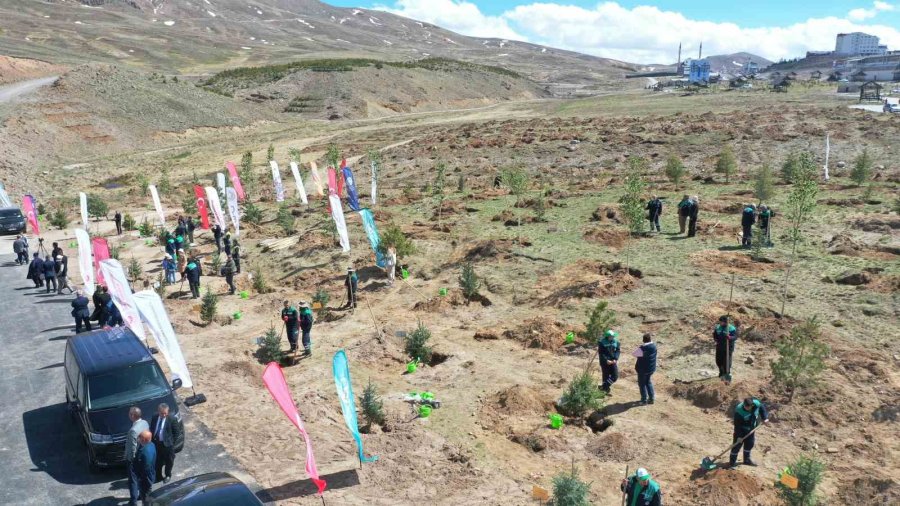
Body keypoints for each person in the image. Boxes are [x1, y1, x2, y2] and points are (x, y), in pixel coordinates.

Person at [730, 397, 769, 467]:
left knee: (749, 444)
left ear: (752, 405)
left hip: (751, 429)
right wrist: (739, 436)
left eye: (749, 407)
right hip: (741, 430)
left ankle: (746, 460)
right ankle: (732, 462)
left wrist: (765, 418)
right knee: (736, 446)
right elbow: (737, 425)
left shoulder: (756, 403)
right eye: (746, 407)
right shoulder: (739, 410)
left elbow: (762, 408)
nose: (748, 408)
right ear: (743, 405)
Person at [150, 403, 182, 484]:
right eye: (162, 413)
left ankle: (168, 475)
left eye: (165, 413)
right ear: (158, 411)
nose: (164, 415)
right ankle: (158, 476)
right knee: (157, 461)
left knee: (169, 461)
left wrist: (171, 443)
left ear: (167, 412)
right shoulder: (154, 417)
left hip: (167, 445)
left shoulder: (172, 419)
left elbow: (177, 432)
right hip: (156, 444)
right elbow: (152, 429)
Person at [125, 407, 150, 506]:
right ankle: (140, 494)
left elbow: (132, 448)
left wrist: (129, 460)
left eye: (129, 413)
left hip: (134, 458)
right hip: (143, 454)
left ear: (132, 416)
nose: (128, 415)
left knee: (132, 480)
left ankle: (133, 501)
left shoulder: (133, 430)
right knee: (140, 477)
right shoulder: (145, 422)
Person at [634, 333, 657, 405]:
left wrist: (641, 347)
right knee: (648, 382)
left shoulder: (642, 348)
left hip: (642, 370)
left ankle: (644, 400)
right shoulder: (654, 346)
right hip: (651, 369)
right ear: (650, 339)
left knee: (642, 384)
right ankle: (651, 398)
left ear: (643, 340)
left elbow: (634, 354)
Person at [135, 430, 156, 505]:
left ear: (143, 439)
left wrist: (140, 477)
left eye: (139, 437)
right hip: (150, 475)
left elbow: (146, 468)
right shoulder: (152, 444)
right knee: (146, 493)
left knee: (146, 496)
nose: (138, 439)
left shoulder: (145, 452)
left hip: (145, 479)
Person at [713, 315, 737, 380]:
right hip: (719, 346)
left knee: (726, 361)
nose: (720, 323)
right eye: (719, 321)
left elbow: (735, 337)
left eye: (721, 322)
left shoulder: (731, 328)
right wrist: (715, 338)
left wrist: (730, 337)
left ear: (725, 322)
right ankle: (721, 372)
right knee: (718, 361)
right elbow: (715, 334)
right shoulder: (718, 327)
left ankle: (727, 374)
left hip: (728, 347)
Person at [598, 329, 620, 394]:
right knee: (605, 376)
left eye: (613, 336)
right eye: (611, 336)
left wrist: (615, 359)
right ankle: (604, 391)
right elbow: (601, 353)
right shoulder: (602, 343)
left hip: (613, 362)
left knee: (615, 376)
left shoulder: (616, 342)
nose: (613, 337)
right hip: (605, 363)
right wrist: (606, 360)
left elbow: (617, 351)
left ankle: (604, 386)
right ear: (607, 336)